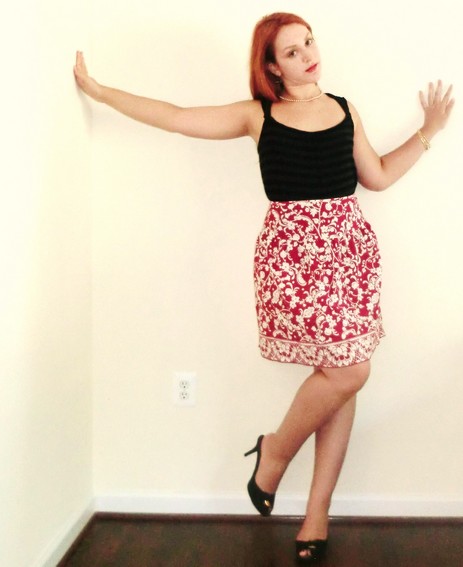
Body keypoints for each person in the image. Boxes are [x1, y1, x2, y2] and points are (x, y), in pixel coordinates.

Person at [74, 12, 454, 563]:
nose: (308, 55)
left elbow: (376, 176)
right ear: (272, 67)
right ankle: (274, 453)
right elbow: (177, 117)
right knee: (347, 371)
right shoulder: (259, 115)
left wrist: (427, 131)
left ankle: (315, 512)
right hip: (292, 263)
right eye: (292, 51)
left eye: (309, 42)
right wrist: (101, 92)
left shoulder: (345, 109)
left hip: (348, 256)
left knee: (343, 375)